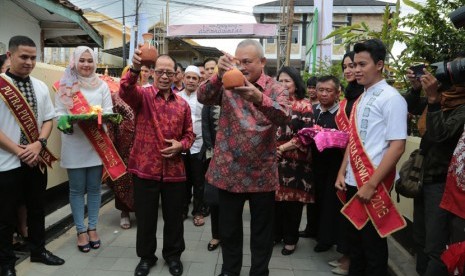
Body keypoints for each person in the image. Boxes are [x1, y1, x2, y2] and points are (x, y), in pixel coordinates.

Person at [197, 39, 290, 276]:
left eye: (247, 62)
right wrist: (218, 74)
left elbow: (285, 116)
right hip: (230, 170)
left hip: (262, 172)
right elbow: (202, 96)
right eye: (239, 62)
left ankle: (259, 272)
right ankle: (230, 270)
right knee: (229, 230)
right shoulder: (228, 83)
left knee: (262, 231)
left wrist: (259, 98)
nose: (242, 67)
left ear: (262, 62)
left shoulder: (275, 87)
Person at [335, 39, 408, 276]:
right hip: (353, 180)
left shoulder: (392, 97)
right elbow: (354, 140)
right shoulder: (362, 97)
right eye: (354, 64)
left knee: (373, 247)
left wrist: (372, 183)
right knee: (355, 245)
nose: (356, 70)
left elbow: (397, 146)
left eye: (362, 64)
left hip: (373, 183)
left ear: (379, 65)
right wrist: (342, 171)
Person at [120, 51, 195, 276]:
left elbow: (190, 135)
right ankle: (146, 257)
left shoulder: (182, 105)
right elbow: (125, 90)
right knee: (146, 218)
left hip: (174, 171)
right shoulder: (141, 96)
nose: (164, 76)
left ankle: (173, 256)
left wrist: (180, 145)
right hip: (145, 169)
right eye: (160, 71)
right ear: (152, 72)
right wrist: (134, 69)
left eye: (169, 72)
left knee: (174, 218)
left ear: (176, 76)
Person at [0, 35, 65, 276]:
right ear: (10, 55)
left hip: (36, 161)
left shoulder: (39, 86)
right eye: (23, 57)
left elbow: (48, 118)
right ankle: (6, 262)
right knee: (5, 217)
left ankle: (39, 250)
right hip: (6, 164)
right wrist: (19, 150)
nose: (29, 62)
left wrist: (39, 143)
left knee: (37, 209)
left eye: (33, 57)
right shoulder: (0, 85)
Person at [405, 62, 465, 275]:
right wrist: (415, 88)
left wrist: (433, 100)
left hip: (441, 184)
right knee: (419, 238)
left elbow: (440, 134)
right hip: (424, 177)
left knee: (435, 245)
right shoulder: (442, 100)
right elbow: (410, 107)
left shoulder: (460, 107)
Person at [55, 46, 114, 253]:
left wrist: (97, 118)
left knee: (95, 189)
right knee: (77, 190)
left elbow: (109, 112)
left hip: (96, 144)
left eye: (90, 60)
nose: (86, 64)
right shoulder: (66, 84)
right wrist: (68, 122)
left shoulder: (102, 86)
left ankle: (93, 228)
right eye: (82, 60)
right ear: (75, 62)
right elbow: (59, 114)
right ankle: (80, 230)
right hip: (74, 145)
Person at [328, 51, 365, 275]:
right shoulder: (349, 95)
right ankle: (345, 254)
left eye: (354, 65)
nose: (349, 70)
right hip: (344, 161)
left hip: (361, 163)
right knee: (343, 212)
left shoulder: (366, 94)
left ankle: (351, 260)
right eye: (346, 67)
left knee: (355, 215)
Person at [274, 66, 314, 256]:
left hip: (296, 164)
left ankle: (290, 239)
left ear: (296, 85)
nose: (282, 84)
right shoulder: (272, 104)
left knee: (292, 204)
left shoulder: (304, 106)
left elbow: (306, 136)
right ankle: (276, 234)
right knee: (275, 202)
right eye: (280, 80)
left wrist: (282, 148)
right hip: (274, 161)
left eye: (287, 81)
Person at [105, 65, 136, 230]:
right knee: (123, 178)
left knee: (140, 179)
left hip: (141, 144)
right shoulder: (115, 96)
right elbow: (111, 121)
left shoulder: (144, 95)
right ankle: (124, 212)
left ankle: (140, 210)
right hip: (122, 144)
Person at [178, 65, 205, 225]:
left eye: (194, 78)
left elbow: (206, 122)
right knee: (182, 182)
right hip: (181, 146)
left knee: (199, 182)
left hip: (198, 146)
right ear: (183, 78)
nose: (190, 81)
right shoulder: (177, 97)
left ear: (199, 81)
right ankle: (182, 211)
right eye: (188, 77)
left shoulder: (203, 98)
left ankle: (198, 212)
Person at [201, 103, 221, 251]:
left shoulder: (240, 94)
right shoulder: (211, 99)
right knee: (215, 198)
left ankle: (230, 235)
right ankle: (216, 235)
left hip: (236, 158)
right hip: (214, 155)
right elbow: (206, 127)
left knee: (233, 200)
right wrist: (211, 150)